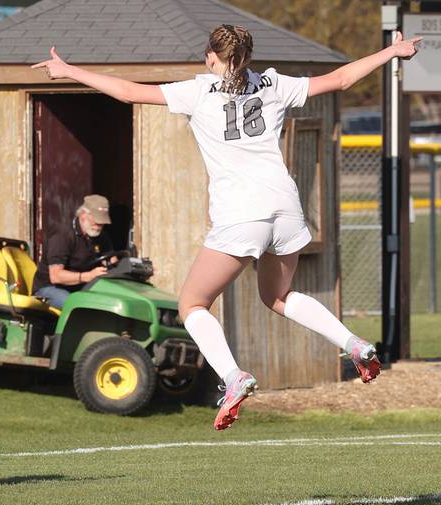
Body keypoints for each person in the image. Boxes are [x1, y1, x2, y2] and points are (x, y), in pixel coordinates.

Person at [32, 26, 421, 430]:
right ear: (247, 58)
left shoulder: (199, 91)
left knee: (192, 305)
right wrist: (390, 52)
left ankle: (234, 377)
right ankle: (353, 344)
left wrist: (70, 71)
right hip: (286, 206)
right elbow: (340, 79)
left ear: (211, 56)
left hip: (242, 212)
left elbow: (130, 92)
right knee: (279, 296)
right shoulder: (272, 82)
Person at [33, 194, 114, 308]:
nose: (99, 225)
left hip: (81, 285)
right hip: (50, 287)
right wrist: (87, 276)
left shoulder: (100, 236)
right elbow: (56, 276)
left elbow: (111, 260)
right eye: (96, 220)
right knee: (75, 304)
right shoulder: (62, 235)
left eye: (102, 222)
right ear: (83, 215)